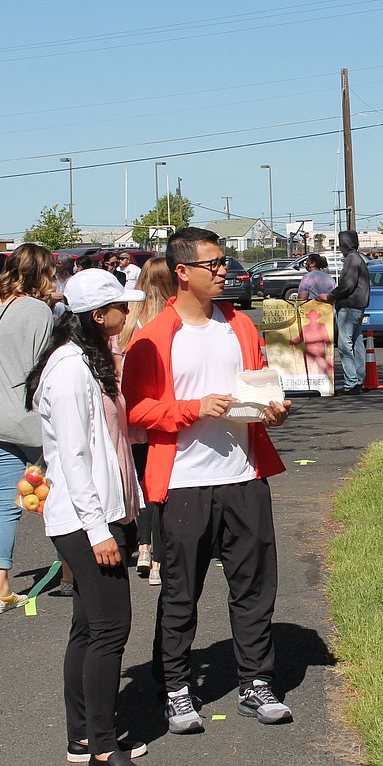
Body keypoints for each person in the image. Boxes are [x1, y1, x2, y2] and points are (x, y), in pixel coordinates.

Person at [121, 226, 292, 734]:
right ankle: (175, 688)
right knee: (181, 591)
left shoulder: (239, 325)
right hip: (184, 484)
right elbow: (137, 411)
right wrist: (194, 408)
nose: (225, 271)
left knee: (255, 586)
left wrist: (274, 410)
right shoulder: (153, 338)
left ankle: (256, 682)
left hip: (244, 475)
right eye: (214, 264)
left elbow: (260, 386)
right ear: (183, 272)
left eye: (224, 262)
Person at [26, 268, 148, 766]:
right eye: (121, 305)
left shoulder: (89, 360)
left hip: (101, 513)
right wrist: (100, 530)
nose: (128, 311)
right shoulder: (71, 368)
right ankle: (100, 743)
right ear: (98, 316)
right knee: (111, 628)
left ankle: (83, 735)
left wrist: (127, 512)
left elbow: (109, 446)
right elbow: (74, 457)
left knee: (88, 624)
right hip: (83, 519)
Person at [0, 243, 56, 614]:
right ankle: (73, 572)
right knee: (56, 497)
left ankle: (0, 589)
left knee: (5, 505)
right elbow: (43, 366)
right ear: (42, 273)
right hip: (31, 421)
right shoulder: (39, 311)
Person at [118, 258, 176, 588]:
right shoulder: (170, 321)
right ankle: (157, 558)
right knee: (160, 484)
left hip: (131, 413)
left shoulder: (128, 319)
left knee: (140, 481)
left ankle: (141, 546)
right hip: (162, 413)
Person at [316, 231, 369, 394]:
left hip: (350, 307)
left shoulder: (352, 260)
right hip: (358, 306)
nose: (339, 248)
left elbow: (347, 285)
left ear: (344, 244)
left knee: (345, 345)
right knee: (357, 343)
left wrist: (330, 296)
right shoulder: (359, 258)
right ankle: (359, 379)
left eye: (340, 244)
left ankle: (352, 382)